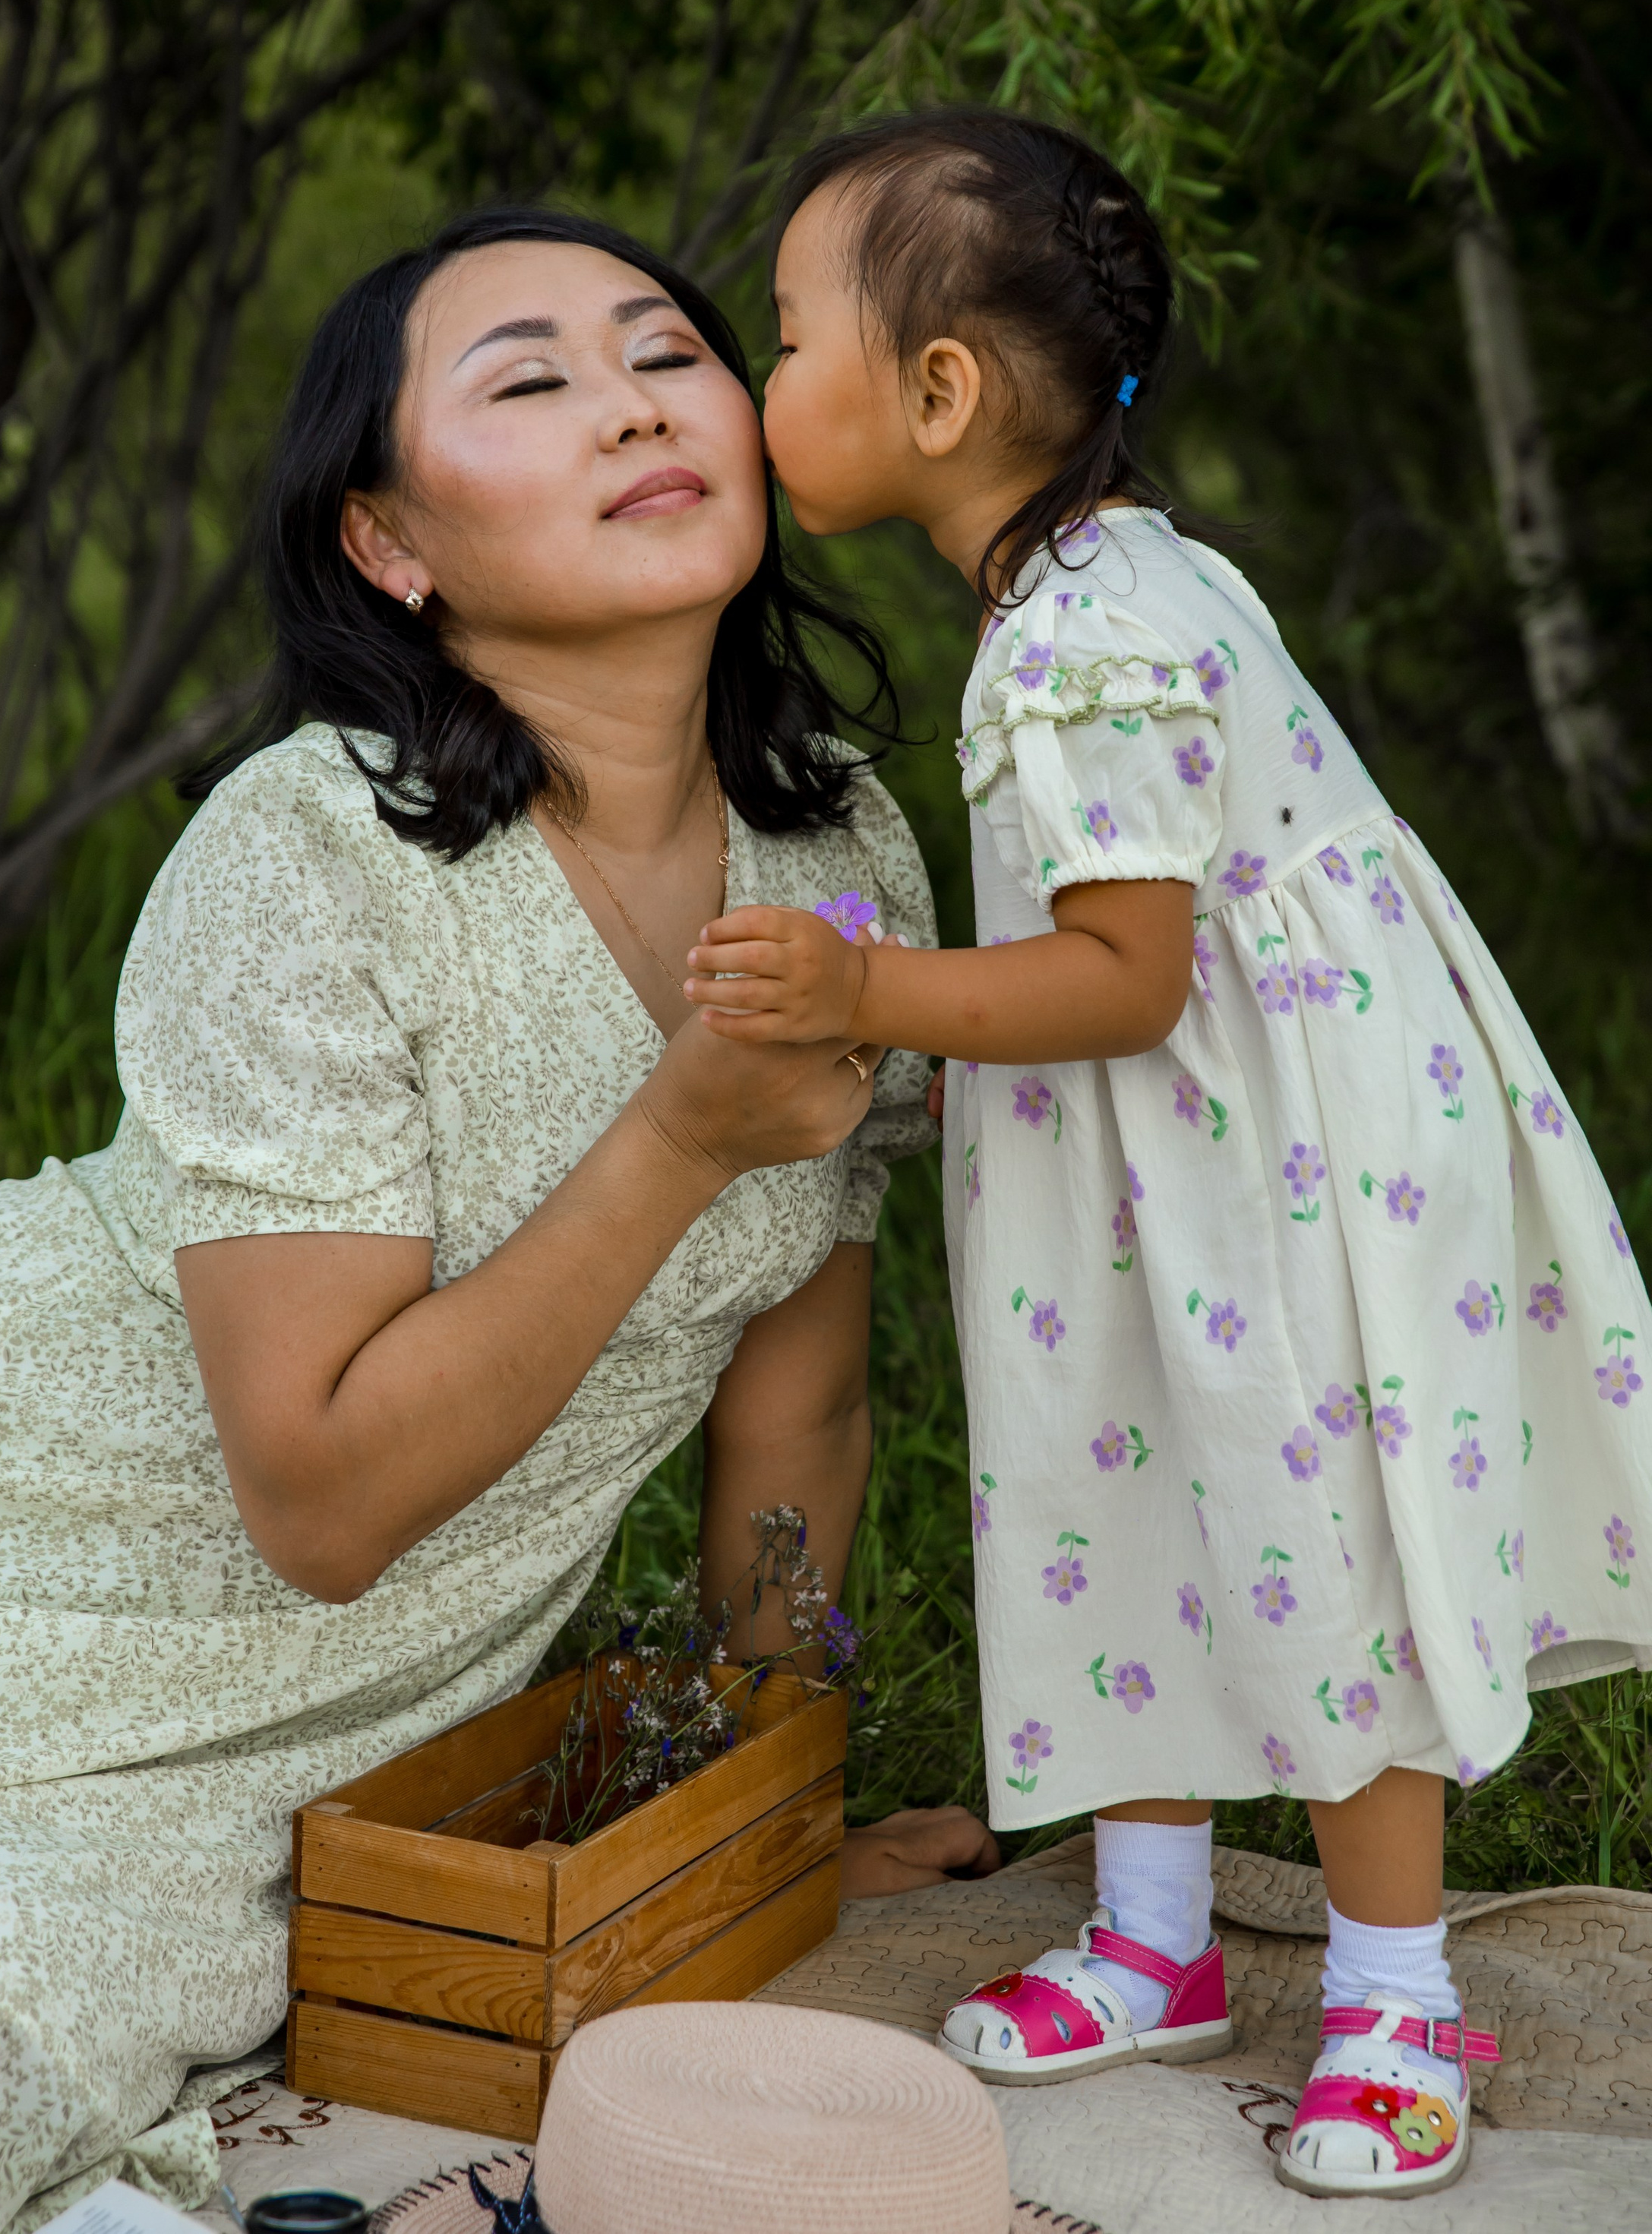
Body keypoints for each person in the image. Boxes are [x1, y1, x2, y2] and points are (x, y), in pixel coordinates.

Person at [0, 207, 991, 2234]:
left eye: (667, 351)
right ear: (390, 541)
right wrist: (678, 1136)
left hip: (341, 1714)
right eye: (531, 379)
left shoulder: (837, 846)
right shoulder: (306, 851)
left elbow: (803, 1409)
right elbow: (317, 1500)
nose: (631, 404)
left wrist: (754, 1819)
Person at [683, 107, 1652, 2200]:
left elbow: (1127, 977)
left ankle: (1396, 1992)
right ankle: (1152, 1939)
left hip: (1274, 1172)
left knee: (1313, 1523)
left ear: (941, 391)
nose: (762, 381)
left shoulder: (1090, 634)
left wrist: (867, 993)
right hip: (1166, 1160)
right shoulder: (1091, 585)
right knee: (1119, 1477)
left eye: (788, 337)